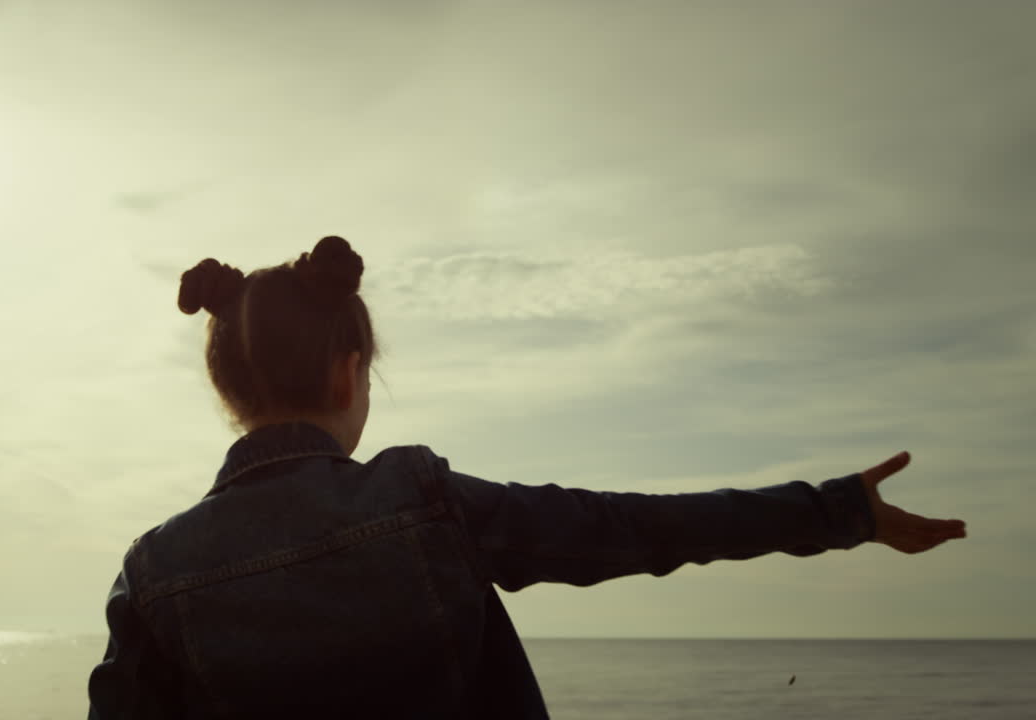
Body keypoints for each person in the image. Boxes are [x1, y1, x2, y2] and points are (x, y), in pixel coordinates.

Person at [86, 236, 967, 719]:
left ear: (224, 389)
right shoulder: (421, 501)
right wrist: (840, 510)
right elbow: (638, 529)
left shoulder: (155, 571)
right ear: (347, 372)